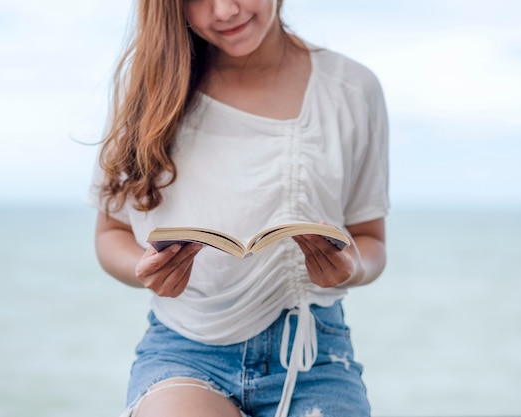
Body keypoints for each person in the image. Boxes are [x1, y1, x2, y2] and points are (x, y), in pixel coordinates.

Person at [89, 0, 389, 416]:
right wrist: (146, 269)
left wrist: (351, 266)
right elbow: (110, 233)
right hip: (185, 347)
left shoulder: (352, 88)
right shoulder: (146, 89)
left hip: (313, 350)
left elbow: (371, 240)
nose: (225, 11)